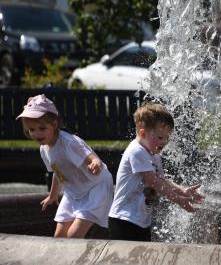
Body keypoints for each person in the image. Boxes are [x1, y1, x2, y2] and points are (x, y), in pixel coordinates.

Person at [16, 94, 114, 238]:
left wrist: (95, 162)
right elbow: (58, 171)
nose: (36, 134)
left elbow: (90, 156)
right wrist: (53, 195)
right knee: (59, 236)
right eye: (31, 129)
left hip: (95, 188)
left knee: (74, 235)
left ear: (54, 124)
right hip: (74, 193)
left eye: (42, 128)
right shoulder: (44, 149)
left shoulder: (69, 142)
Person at [108, 102, 205, 241]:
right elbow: (154, 182)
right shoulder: (137, 151)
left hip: (141, 221)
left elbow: (161, 180)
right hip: (123, 219)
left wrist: (181, 190)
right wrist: (178, 200)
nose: (164, 142)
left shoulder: (154, 155)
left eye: (167, 138)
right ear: (143, 133)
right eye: (160, 137)